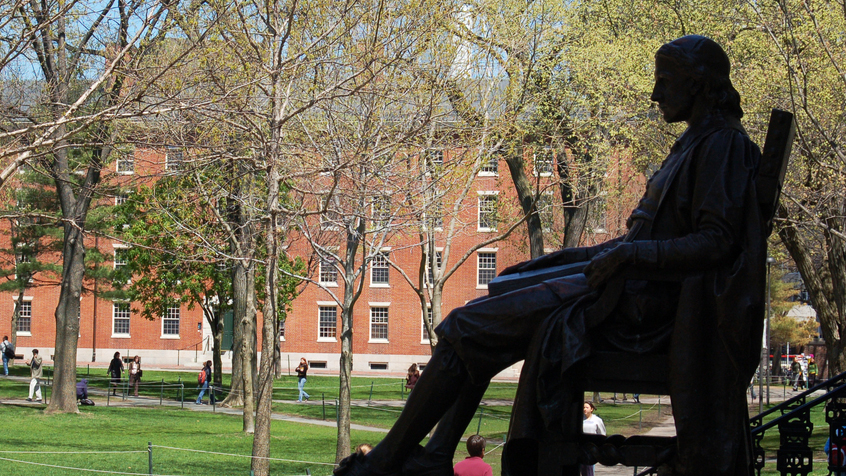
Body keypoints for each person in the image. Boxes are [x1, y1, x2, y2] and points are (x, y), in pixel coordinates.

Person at [333, 35, 767, 476]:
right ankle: (438, 452)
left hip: (643, 310)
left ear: (696, 84)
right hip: (628, 292)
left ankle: (391, 458)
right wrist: (553, 261)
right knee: (495, 294)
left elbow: (718, 241)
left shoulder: (722, 146)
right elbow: (634, 242)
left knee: (466, 324)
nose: (655, 93)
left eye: (664, 81)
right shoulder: (697, 143)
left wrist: (628, 256)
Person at [581, 401, 607, 476]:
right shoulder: (579, 419)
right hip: (581, 447)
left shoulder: (597, 420)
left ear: (591, 409)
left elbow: (602, 434)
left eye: (587, 407)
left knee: (588, 470)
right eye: (583, 407)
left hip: (591, 449)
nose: (585, 409)